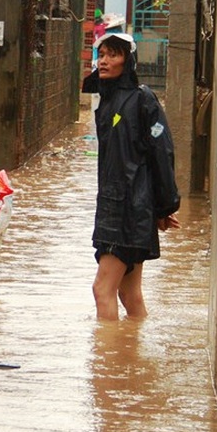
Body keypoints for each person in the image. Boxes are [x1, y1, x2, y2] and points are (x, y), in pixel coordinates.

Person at [81, 31, 181, 320]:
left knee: (102, 289)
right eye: (103, 54)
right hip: (121, 207)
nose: (105, 61)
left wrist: (165, 206)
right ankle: (131, 357)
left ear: (128, 61)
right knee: (128, 293)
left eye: (114, 55)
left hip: (126, 211)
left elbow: (161, 152)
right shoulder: (108, 102)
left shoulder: (141, 100)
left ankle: (108, 363)